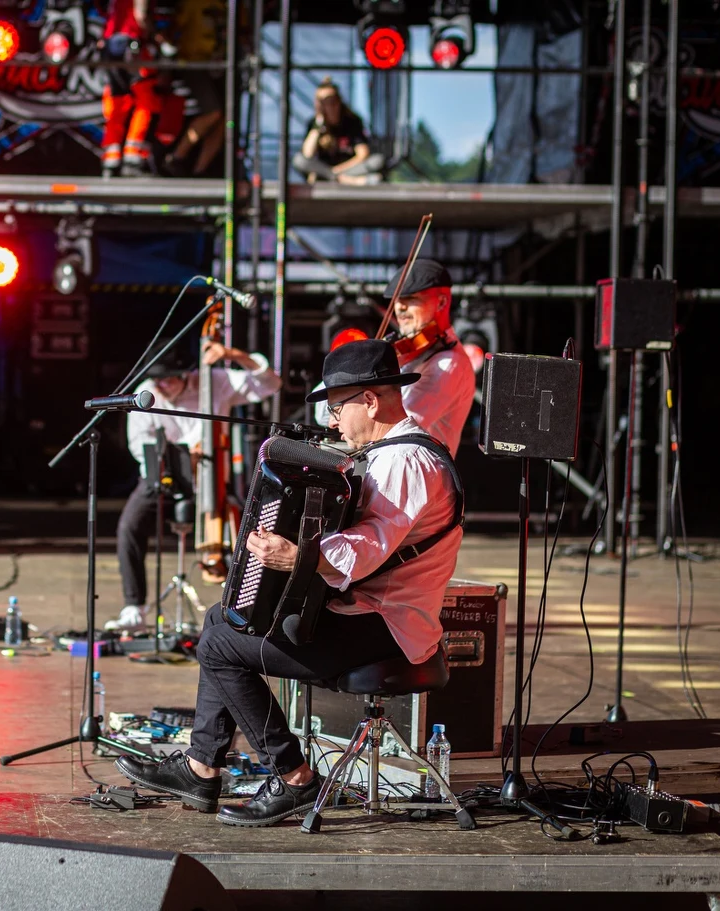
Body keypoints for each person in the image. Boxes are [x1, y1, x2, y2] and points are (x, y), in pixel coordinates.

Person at [116, 339, 463, 827]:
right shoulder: (394, 453)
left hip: (387, 628)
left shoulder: (404, 461)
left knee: (217, 645)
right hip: (366, 615)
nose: (333, 422)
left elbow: (366, 551)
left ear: (370, 400)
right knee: (220, 620)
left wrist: (298, 556)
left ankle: (295, 778)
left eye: (337, 407)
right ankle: (201, 767)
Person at [109, 335, 281, 629]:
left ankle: (248, 609)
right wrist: (183, 456)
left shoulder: (213, 381)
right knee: (129, 526)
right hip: (166, 476)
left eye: (167, 380)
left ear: (184, 374)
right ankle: (134, 607)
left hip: (213, 475)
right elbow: (141, 448)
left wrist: (233, 354)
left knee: (251, 528)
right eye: (157, 380)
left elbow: (269, 384)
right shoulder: (145, 393)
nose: (161, 386)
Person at [381, 258, 477, 456]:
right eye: (397, 299)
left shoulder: (449, 364)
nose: (399, 307)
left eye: (410, 298)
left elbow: (395, 430)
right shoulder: (407, 353)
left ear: (441, 302)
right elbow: (323, 413)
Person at [160, 0, 226, 178]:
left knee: (225, 120)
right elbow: (173, 30)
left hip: (221, 66)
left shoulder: (230, 6)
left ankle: (200, 169)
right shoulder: (193, 3)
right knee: (214, 112)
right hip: (193, 63)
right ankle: (176, 157)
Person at [100, 0, 162, 177]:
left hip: (111, 44)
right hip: (132, 45)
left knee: (118, 100)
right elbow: (140, 15)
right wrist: (156, 37)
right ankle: (133, 157)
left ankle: (111, 159)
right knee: (145, 101)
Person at [292, 78, 384, 186]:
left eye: (331, 100)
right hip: (323, 170)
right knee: (298, 160)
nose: (329, 105)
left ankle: (334, 178)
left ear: (338, 101)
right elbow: (307, 154)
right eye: (322, 101)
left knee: (378, 160)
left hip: (347, 169)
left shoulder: (352, 121)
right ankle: (350, 181)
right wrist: (318, 124)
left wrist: (336, 171)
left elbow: (363, 154)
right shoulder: (314, 123)